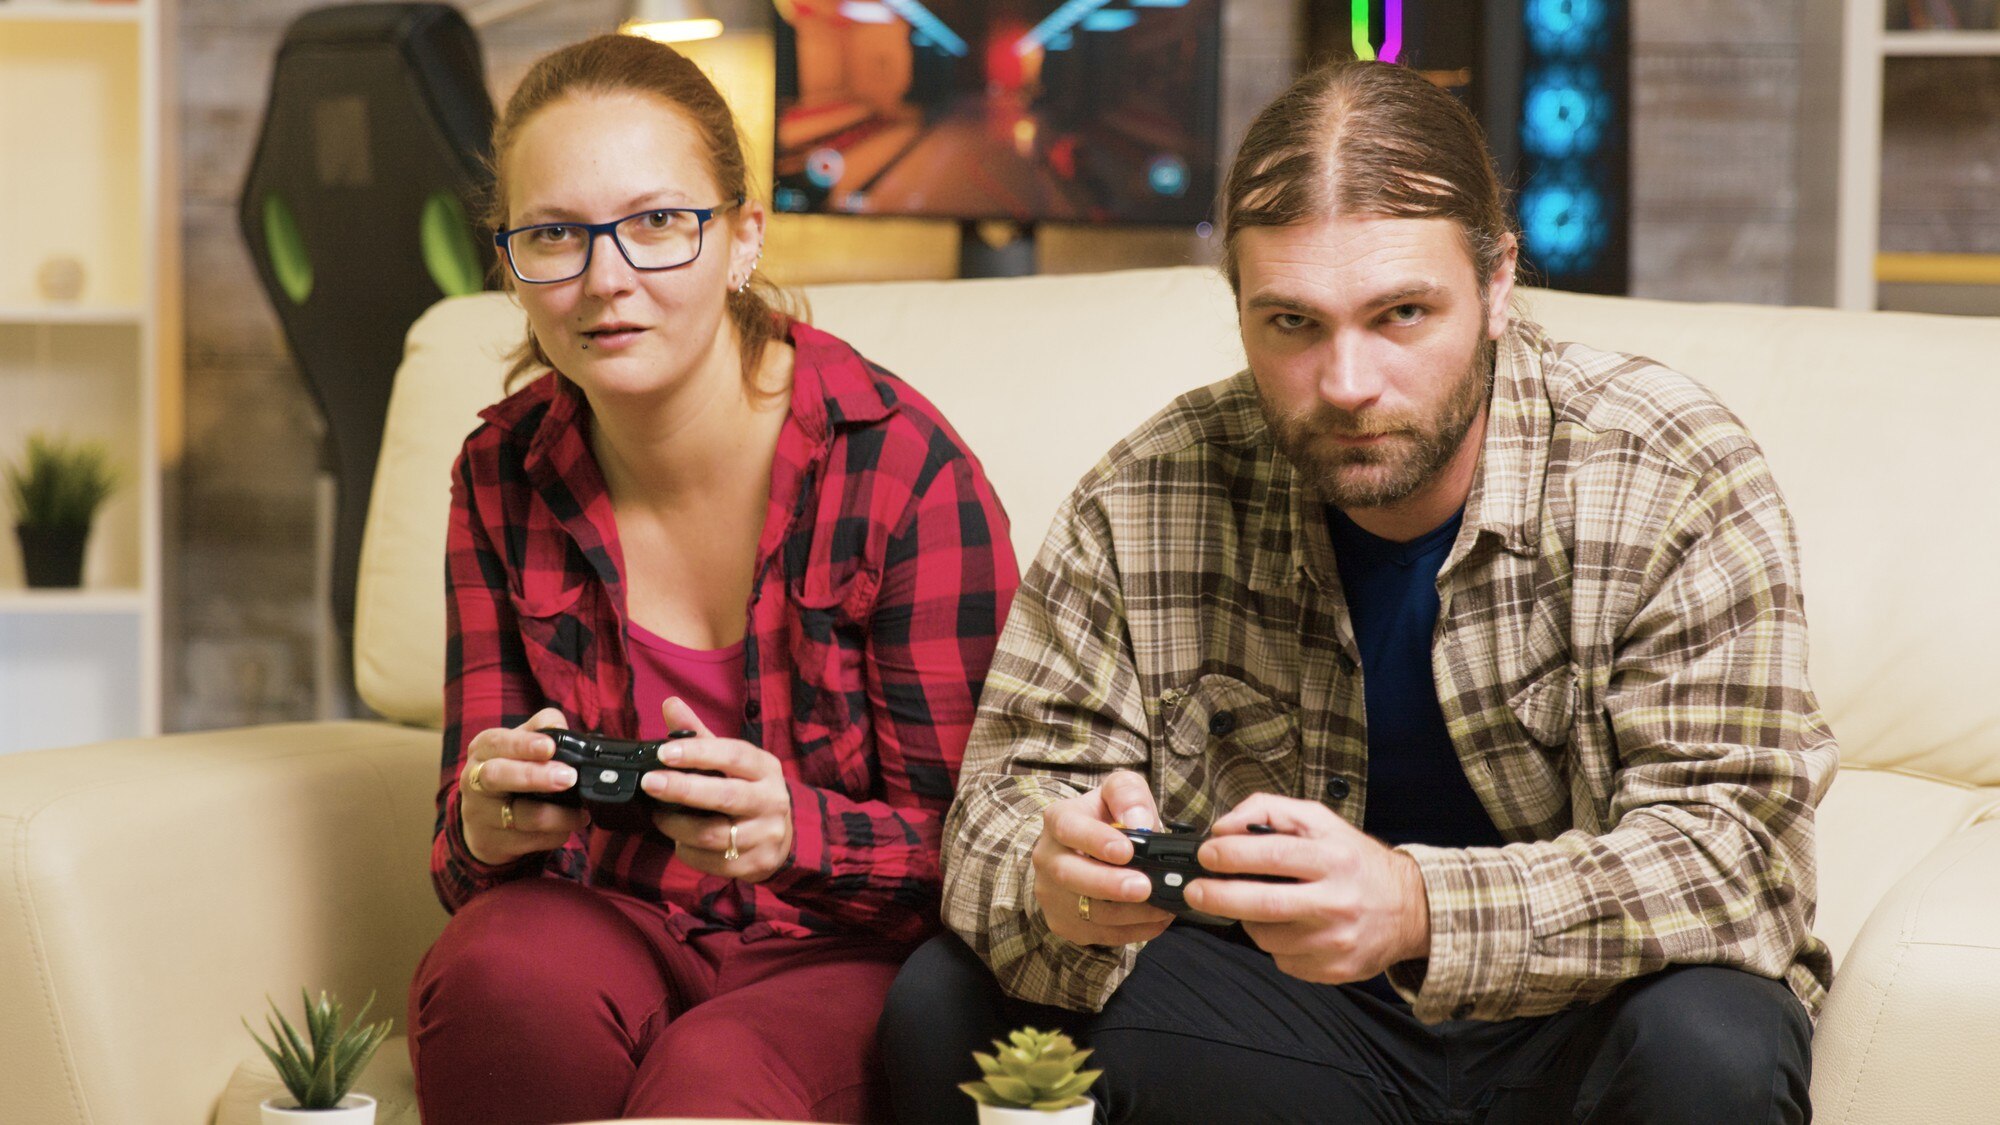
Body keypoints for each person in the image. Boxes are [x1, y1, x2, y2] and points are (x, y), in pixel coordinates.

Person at [881, 58, 1834, 1124]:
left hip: (1586, 1014)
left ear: (1498, 285)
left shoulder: (1663, 469)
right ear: (1236, 307)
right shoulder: (1144, 493)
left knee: (1712, 1042)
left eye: (1401, 314)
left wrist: (1417, 906)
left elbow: (1737, 853)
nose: (1346, 384)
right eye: (1290, 324)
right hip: (1297, 1028)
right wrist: (1058, 882)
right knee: (947, 1007)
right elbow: (996, 821)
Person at [406, 34, 1018, 1125]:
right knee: (496, 974)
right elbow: (466, 857)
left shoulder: (900, 471)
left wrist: (797, 834)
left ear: (740, 240)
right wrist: (485, 827)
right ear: (508, 262)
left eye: (655, 224)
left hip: (844, 948)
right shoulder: (499, 472)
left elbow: (987, 862)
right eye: (552, 234)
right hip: (620, 921)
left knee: (717, 1076)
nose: (605, 280)